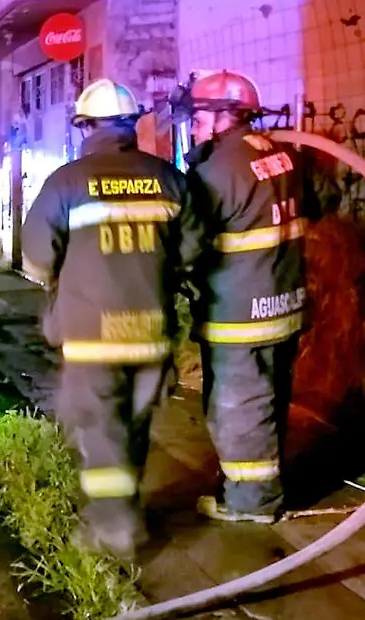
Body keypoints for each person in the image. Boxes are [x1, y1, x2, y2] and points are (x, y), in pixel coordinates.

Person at [22, 79, 204, 559]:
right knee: (135, 427)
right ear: (132, 124)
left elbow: (37, 259)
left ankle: (114, 529)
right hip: (151, 333)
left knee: (102, 432)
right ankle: (126, 510)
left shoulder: (67, 181)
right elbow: (189, 251)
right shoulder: (169, 179)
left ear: (85, 125)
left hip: (91, 335)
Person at [182, 70, 328, 523]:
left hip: (237, 313)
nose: (192, 126)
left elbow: (187, 246)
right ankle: (260, 483)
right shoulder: (286, 156)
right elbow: (319, 208)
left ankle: (252, 502)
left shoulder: (214, 173)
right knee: (268, 399)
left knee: (238, 406)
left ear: (226, 116)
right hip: (284, 308)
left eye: (199, 116)